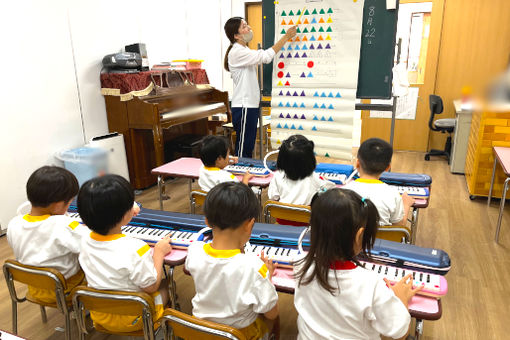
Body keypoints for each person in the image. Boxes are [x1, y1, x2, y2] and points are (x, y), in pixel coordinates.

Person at [294, 188, 422, 339]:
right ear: (359, 235)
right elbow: (399, 332)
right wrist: (401, 299)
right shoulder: (370, 284)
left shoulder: (300, 265)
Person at [77, 174, 172, 333]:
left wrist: (126, 212)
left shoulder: (83, 240)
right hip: (135, 318)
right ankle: (159, 332)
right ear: (126, 214)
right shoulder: (135, 248)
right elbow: (151, 286)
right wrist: (159, 253)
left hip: (100, 315)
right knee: (166, 286)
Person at [186, 182, 279, 340]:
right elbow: (271, 313)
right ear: (250, 225)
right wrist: (268, 276)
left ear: (207, 221)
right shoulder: (254, 267)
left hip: (201, 332)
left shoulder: (194, 251)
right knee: (275, 321)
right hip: (239, 334)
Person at [7, 165, 86, 303]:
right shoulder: (62, 224)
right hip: (65, 288)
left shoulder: (14, 223)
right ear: (57, 205)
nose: (69, 206)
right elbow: (89, 244)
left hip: (35, 287)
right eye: (69, 202)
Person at [224, 17, 297, 158]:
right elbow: (266, 56)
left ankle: (245, 176)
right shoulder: (237, 52)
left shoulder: (244, 50)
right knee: (243, 148)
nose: (249, 28)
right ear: (236, 35)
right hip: (244, 106)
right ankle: (239, 176)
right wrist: (286, 37)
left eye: (247, 24)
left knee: (248, 146)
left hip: (249, 106)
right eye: (244, 26)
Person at [344, 138, 414, 226]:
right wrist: (406, 204)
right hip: (380, 240)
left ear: (357, 163)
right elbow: (399, 226)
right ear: (387, 168)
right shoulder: (393, 194)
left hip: (348, 239)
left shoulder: (343, 191)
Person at [267, 134, 336, 225]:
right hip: (306, 227)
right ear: (310, 160)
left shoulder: (277, 176)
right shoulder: (314, 178)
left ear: (282, 159)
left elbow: (273, 198)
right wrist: (324, 180)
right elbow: (330, 190)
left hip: (281, 226)